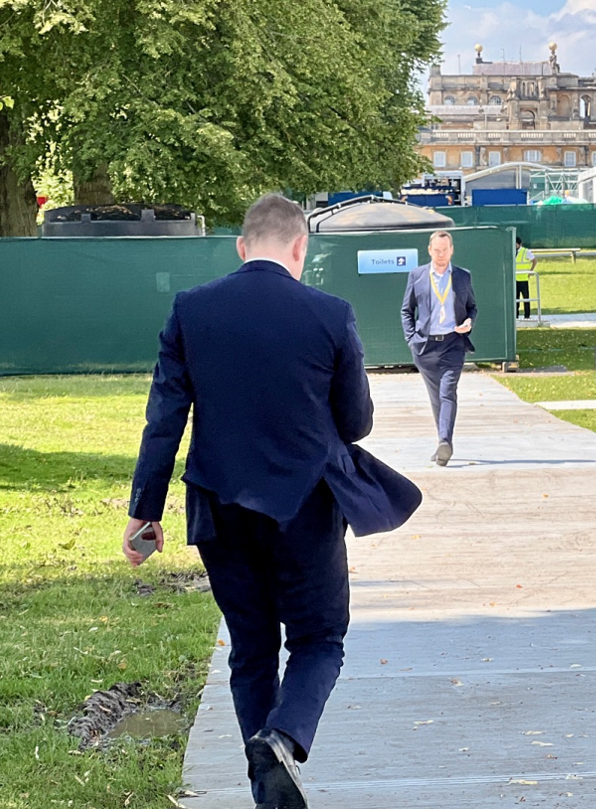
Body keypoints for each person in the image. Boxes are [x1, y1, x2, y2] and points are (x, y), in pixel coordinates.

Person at [123, 193, 421, 809]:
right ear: (299, 247)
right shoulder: (330, 314)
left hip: (219, 507)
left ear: (241, 246)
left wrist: (144, 510)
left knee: (251, 649)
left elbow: (164, 419)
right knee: (320, 639)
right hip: (304, 507)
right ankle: (283, 737)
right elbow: (357, 421)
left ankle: (269, 793)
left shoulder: (191, 310)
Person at [400, 230, 477, 467]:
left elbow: (472, 307)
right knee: (436, 397)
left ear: (451, 250)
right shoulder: (418, 275)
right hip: (425, 346)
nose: (441, 254)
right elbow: (406, 310)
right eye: (437, 250)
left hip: (453, 343)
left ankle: (445, 441)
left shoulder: (463, 276)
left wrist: (468, 322)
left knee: (447, 392)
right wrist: (411, 339)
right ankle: (441, 443)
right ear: (429, 250)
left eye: (445, 250)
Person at [515, 236, 538, 319]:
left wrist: (530, 271)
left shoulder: (526, 251)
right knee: (515, 299)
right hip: (514, 279)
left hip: (523, 278)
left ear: (519, 244)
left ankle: (527, 315)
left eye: (515, 244)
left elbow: (534, 261)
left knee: (526, 298)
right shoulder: (511, 252)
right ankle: (516, 315)